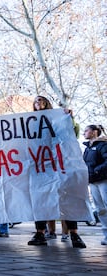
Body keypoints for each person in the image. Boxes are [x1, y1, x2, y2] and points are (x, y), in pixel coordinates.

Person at [27, 95, 86, 248]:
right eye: (35, 101)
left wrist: (69, 118)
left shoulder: (58, 118)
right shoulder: (29, 121)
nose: (38, 102)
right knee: (40, 199)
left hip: (59, 165)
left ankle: (74, 233)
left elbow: (72, 134)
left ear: (47, 102)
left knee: (67, 198)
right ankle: (40, 232)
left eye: (41, 100)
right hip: (40, 166)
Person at [82, 124, 107, 245]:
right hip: (92, 182)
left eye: (86, 130)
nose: (84, 133)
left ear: (94, 132)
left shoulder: (103, 145)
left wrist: (96, 170)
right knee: (100, 209)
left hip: (103, 181)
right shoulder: (87, 149)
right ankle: (106, 236)